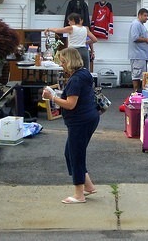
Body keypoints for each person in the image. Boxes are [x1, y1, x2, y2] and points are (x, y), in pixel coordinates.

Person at [42, 47, 100, 203]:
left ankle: (79, 195)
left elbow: (70, 104)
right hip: (89, 118)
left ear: (69, 61)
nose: (61, 65)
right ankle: (88, 186)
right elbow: (76, 98)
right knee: (71, 153)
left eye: (62, 61)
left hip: (80, 121)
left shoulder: (75, 79)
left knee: (76, 155)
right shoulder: (84, 73)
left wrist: (52, 97)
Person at [128, 8, 148, 93]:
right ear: (140, 15)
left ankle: (139, 93)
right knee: (136, 74)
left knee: (141, 75)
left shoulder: (141, 25)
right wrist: (146, 40)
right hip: (137, 55)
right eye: (145, 15)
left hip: (142, 55)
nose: (146, 17)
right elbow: (135, 38)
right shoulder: (136, 24)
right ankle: (135, 92)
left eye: (147, 15)